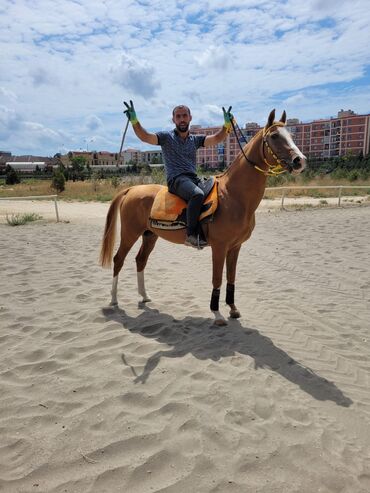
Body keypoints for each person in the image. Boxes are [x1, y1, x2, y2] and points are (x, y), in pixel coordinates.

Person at [123, 100, 233, 249]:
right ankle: (191, 235)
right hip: (176, 179)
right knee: (197, 195)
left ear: (190, 118)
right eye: (178, 116)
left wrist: (226, 126)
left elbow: (217, 138)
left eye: (184, 116)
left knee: (215, 189)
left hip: (193, 178)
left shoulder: (195, 140)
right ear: (173, 119)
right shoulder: (166, 137)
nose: (182, 119)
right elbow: (145, 136)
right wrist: (135, 122)